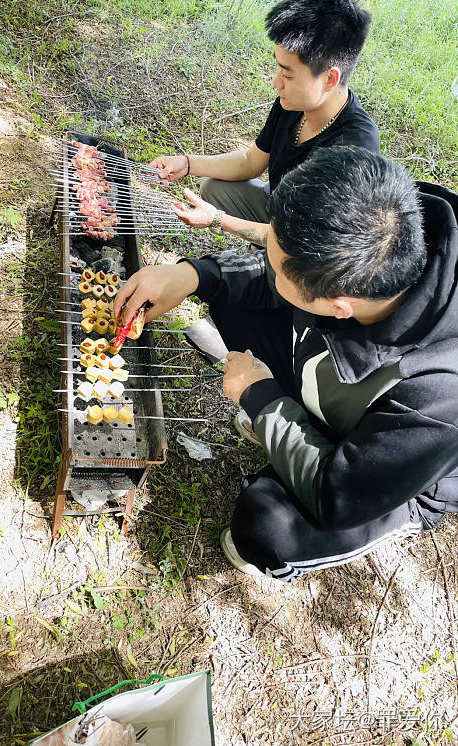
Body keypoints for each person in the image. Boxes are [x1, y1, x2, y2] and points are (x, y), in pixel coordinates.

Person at [114, 146, 458, 582]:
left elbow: (340, 497)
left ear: (339, 306)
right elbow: (275, 277)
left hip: (386, 470)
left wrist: (261, 397)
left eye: (279, 269)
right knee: (228, 294)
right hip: (333, 369)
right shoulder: (374, 237)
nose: (270, 270)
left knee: (265, 528)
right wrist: (193, 275)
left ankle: (298, 437)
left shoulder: (439, 396)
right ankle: (295, 415)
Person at [150, 0, 379, 248]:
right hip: (278, 209)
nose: (276, 83)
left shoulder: (354, 147)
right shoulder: (292, 103)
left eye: (288, 74)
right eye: (278, 68)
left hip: (310, 252)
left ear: (329, 79)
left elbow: (302, 243)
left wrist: (218, 220)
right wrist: (187, 163)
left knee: (278, 271)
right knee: (215, 188)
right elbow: (250, 162)